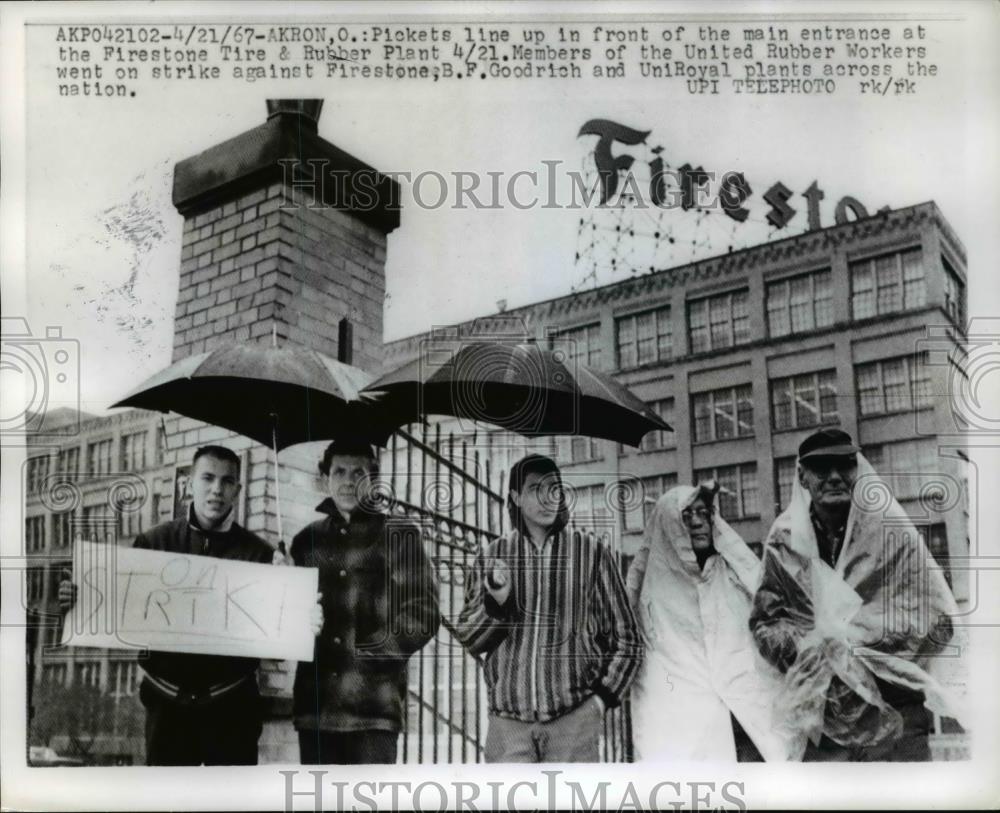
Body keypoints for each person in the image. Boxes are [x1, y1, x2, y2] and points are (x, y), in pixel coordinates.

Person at [58, 445, 322, 766]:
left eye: (227, 481)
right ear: (188, 484)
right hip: (167, 708)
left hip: (232, 712)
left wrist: (291, 607)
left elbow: (278, 650)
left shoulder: (262, 556)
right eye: (207, 478)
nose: (217, 489)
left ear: (238, 490)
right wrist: (77, 600)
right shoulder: (153, 544)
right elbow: (117, 612)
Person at [750, 428, 960, 761]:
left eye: (844, 466)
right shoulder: (784, 541)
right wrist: (804, 646)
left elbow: (939, 622)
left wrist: (858, 638)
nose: (834, 477)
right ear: (802, 477)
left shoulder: (892, 532)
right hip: (820, 719)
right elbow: (765, 620)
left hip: (894, 718)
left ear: (858, 470)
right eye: (821, 468)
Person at [453, 453, 642, 763]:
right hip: (508, 728)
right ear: (515, 496)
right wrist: (497, 602)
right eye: (534, 489)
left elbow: (628, 638)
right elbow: (471, 638)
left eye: (554, 488)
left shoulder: (591, 552)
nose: (547, 498)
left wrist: (601, 700)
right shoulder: (493, 555)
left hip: (573, 723)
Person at [278, 438, 440, 764]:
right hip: (316, 710)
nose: (349, 481)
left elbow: (424, 611)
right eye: (339, 472)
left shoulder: (400, 534)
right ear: (325, 479)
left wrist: (376, 652)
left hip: (373, 712)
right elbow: (285, 621)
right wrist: (279, 585)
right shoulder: (304, 541)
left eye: (358, 473)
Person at [626, 482, 795, 762]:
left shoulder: (733, 571)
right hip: (683, 721)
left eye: (702, 513)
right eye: (686, 516)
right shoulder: (651, 589)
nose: (696, 522)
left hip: (747, 713)